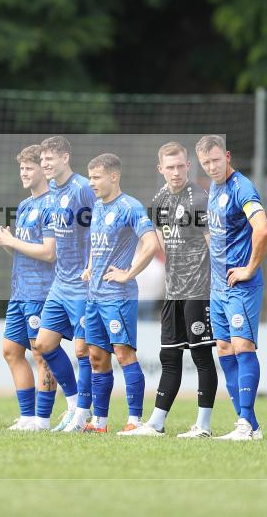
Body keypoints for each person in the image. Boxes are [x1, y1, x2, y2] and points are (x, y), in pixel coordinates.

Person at [127, 142, 217, 437]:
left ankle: (203, 426)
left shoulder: (200, 198)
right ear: (160, 169)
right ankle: (156, 422)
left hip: (198, 289)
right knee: (169, 356)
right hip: (173, 291)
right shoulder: (159, 199)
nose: (176, 172)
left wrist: (213, 285)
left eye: (180, 166)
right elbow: (161, 243)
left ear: (188, 166)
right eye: (170, 167)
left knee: (202, 356)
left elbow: (211, 242)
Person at [197, 135, 267, 441]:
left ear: (227, 156)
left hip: (241, 287)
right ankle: (249, 425)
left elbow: (263, 228)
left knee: (243, 347)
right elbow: (209, 230)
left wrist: (249, 268)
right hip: (218, 288)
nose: (212, 167)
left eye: (216, 160)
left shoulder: (242, 187)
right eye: (206, 163)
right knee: (225, 349)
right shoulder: (213, 189)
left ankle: (245, 424)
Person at [81, 153, 159, 433]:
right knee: (97, 357)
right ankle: (99, 422)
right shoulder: (98, 208)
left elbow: (151, 243)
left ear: (114, 176)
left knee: (123, 354)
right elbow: (96, 245)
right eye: (90, 177)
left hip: (118, 296)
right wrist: (90, 268)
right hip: (94, 296)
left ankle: (134, 421)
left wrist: (129, 273)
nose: (91, 183)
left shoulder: (131, 207)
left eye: (96, 177)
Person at [0, 145, 58, 430]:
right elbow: (25, 250)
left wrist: (13, 242)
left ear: (44, 170)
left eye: (29, 168)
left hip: (41, 291)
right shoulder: (25, 205)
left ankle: (41, 420)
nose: (24, 173)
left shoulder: (53, 203)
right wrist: (9, 243)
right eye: (22, 169)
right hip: (20, 291)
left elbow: (49, 252)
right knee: (10, 350)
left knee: (40, 353)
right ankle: (27, 416)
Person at [32, 135, 97, 432]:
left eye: (49, 159)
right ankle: (73, 404)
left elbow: (104, 222)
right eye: (42, 159)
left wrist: (93, 264)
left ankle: (83, 415)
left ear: (65, 158)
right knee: (44, 344)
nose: (44, 164)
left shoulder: (83, 188)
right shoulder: (52, 191)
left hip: (83, 284)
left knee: (83, 350)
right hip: (61, 283)